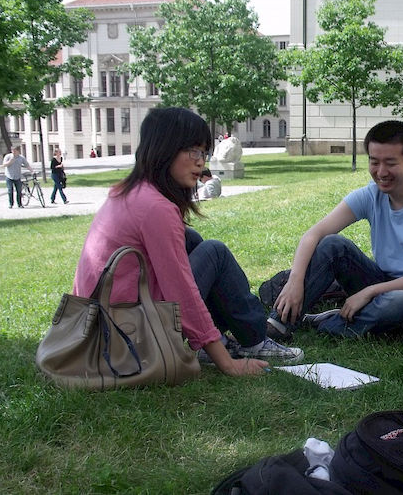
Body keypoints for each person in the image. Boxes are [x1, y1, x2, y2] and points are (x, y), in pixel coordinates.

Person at [73, 107, 303, 377]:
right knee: (214, 253)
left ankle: (225, 338)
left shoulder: (128, 193)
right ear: (165, 149)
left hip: (101, 327)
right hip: (129, 337)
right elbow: (180, 290)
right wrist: (227, 364)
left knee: (190, 239)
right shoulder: (155, 207)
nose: (200, 162)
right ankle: (253, 340)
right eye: (193, 151)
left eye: (203, 152)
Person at [262, 120, 403, 339]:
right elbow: (314, 234)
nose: (381, 172)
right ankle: (278, 325)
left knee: (393, 303)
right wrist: (295, 281)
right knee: (332, 245)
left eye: (390, 163)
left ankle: (327, 323)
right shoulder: (370, 194)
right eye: (374, 162)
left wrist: (369, 292)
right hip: (385, 280)